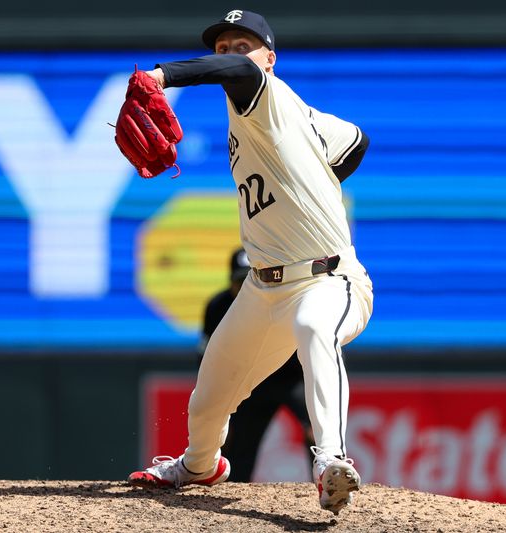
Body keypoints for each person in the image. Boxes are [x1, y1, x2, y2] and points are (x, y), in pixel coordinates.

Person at [128, 9, 374, 515]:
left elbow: (242, 74)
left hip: (329, 279)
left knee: (312, 328)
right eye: (222, 48)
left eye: (244, 44)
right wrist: (314, 180)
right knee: (209, 396)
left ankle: (331, 462)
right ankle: (199, 465)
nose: (231, 55)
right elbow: (355, 140)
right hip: (262, 292)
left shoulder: (265, 91)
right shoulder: (297, 116)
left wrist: (160, 76)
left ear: (269, 58)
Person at [200, 247, 314, 482]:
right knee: (239, 447)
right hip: (253, 381)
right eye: (239, 282)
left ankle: (327, 489)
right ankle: (228, 511)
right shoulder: (219, 307)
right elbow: (211, 361)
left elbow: (322, 348)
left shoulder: (289, 301)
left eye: (250, 280)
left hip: (294, 377)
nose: (244, 289)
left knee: (319, 435)